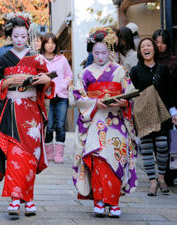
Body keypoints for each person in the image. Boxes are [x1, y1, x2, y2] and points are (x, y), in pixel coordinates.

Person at [0, 14, 55, 217]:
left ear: (28, 35)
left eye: (23, 36)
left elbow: (49, 82)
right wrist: (7, 83)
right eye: (16, 36)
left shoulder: (37, 58)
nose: (19, 40)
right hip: (10, 108)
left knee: (30, 156)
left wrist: (45, 79)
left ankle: (28, 198)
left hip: (31, 111)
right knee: (15, 155)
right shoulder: (3, 59)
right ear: (10, 35)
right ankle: (15, 199)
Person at [72, 27, 137, 218]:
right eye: (96, 52)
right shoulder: (85, 73)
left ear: (111, 51)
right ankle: (99, 200)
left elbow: (130, 94)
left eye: (104, 52)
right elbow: (78, 95)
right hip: (95, 121)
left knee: (117, 156)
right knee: (98, 159)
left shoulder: (120, 71)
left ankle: (114, 202)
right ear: (91, 52)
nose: (100, 56)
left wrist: (125, 102)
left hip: (116, 120)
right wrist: (94, 102)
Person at [130, 38, 172, 196]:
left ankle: (161, 176)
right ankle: (153, 181)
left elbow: (170, 91)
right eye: (143, 46)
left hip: (161, 114)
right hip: (143, 114)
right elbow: (131, 92)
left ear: (154, 49)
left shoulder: (163, 69)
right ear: (140, 51)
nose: (146, 48)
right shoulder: (135, 70)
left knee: (162, 146)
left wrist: (173, 112)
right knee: (146, 149)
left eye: (148, 45)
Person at [41, 32, 73, 163]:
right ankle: (49, 154)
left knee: (60, 125)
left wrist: (65, 83)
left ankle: (59, 155)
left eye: (53, 43)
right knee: (48, 126)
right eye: (47, 43)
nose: (50, 45)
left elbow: (69, 75)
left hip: (61, 95)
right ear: (43, 44)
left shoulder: (62, 59)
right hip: (47, 96)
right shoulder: (39, 59)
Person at [152, 29, 177, 186]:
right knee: (158, 143)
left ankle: (171, 173)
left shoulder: (173, 62)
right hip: (154, 107)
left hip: (171, 107)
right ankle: (164, 172)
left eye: (162, 42)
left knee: (171, 141)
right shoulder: (148, 61)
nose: (159, 45)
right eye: (156, 42)